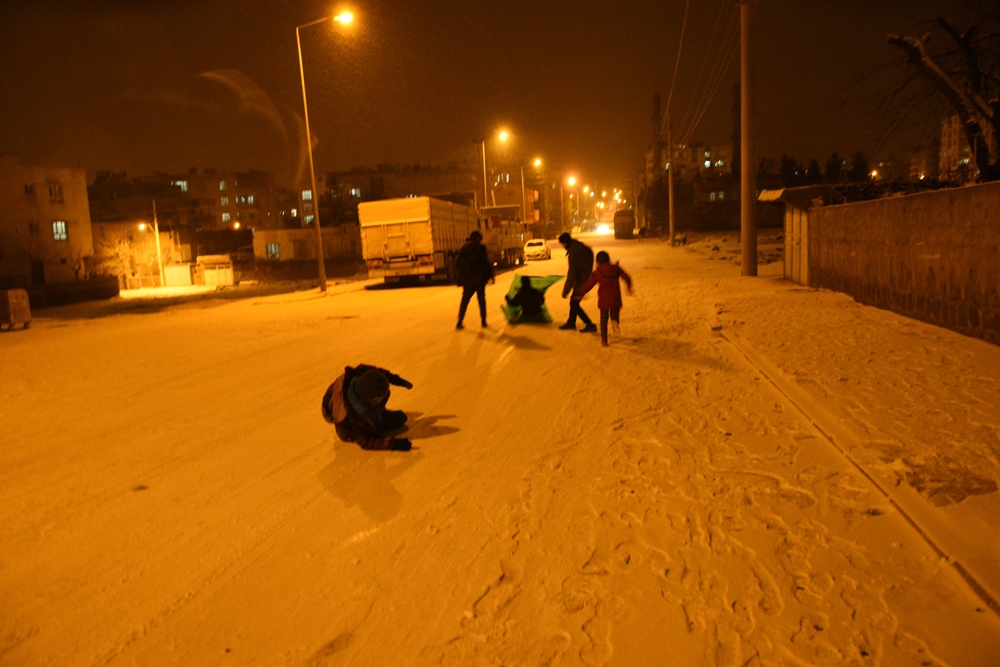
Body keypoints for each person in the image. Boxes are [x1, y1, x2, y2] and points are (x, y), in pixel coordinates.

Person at [321, 364, 414, 451]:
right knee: (399, 419)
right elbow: (366, 441)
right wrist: (393, 444)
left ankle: (376, 414)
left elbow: (374, 372)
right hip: (352, 432)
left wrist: (395, 379)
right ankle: (375, 420)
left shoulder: (358, 375)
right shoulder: (356, 419)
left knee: (399, 416)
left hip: (365, 408)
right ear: (371, 399)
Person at [578, 251, 633, 347]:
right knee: (614, 312)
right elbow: (627, 277)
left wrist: (580, 293)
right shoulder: (616, 268)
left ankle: (604, 340)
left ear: (598, 261)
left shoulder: (598, 272)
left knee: (603, 318)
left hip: (604, 299)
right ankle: (615, 321)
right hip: (615, 297)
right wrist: (629, 287)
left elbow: (589, 285)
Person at [557, 232, 597, 333]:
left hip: (582, 281)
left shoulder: (574, 254)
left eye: (562, 244)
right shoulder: (580, 247)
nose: (562, 246)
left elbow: (572, 274)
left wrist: (565, 291)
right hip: (584, 279)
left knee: (574, 304)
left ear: (565, 243)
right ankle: (571, 322)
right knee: (573, 302)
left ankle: (590, 324)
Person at [455, 230, 494, 329]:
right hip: (479, 280)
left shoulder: (464, 248)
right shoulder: (481, 248)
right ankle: (483, 321)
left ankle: (460, 321)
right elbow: (485, 263)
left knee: (465, 300)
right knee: (481, 300)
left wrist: (460, 276)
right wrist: (491, 276)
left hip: (467, 280)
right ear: (478, 239)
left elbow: (458, 263)